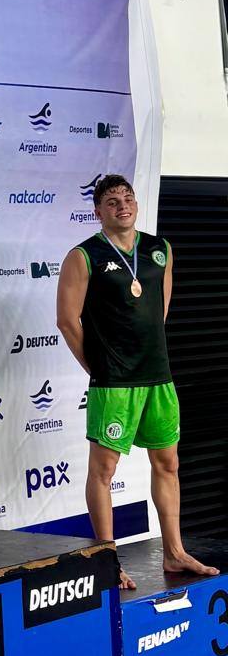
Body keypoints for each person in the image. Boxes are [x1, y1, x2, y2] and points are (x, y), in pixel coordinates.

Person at [56, 174, 218, 591]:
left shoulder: (159, 249)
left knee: (168, 463)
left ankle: (174, 550)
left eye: (128, 198)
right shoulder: (84, 256)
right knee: (103, 471)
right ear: (98, 211)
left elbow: (159, 309)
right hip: (115, 383)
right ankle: (106, 561)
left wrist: (145, 354)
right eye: (112, 201)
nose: (122, 205)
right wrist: (99, 368)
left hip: (158, 376)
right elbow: (67, 320)